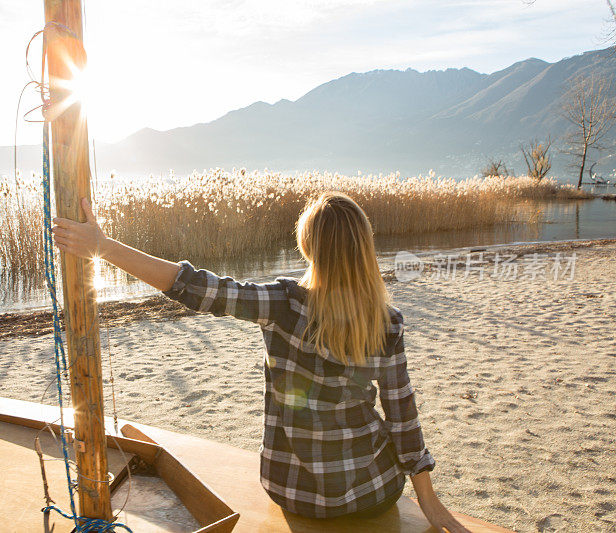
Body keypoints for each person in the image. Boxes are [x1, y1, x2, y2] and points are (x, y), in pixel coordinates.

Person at [52, 192, 469, 532]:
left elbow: (197, 287)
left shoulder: (282, 303)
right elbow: (402, 416)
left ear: (308, 246)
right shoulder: (386, 322)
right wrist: (428, 500)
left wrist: (102, 247)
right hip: (373, 491)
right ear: (365, 247)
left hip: (292, 491)